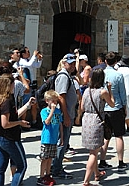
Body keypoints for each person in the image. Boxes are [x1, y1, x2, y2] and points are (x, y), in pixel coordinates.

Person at [0, 74, 32, 186]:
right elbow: (5, 124)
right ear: (8, 85)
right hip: (9, 138)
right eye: (13, 83)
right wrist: (20, 123)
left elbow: (14, 115)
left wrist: (28, 105)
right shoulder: (7, 101)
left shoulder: (0, 98)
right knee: (22, 166)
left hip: (0, 137)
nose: (15, 85)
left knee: (0, 169)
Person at [81, 68, 114, 186]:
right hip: (97, 120)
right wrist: (110, 90)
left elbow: (82, 108)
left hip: (86, 120)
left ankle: (97, 173)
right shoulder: (102, 92)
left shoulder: (86, 91)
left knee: (92, 150)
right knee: (94, 153)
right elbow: (112, 104)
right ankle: (86, 181)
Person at [51, 53, 79, 181]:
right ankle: (56, 169)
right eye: (70, 63)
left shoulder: (67, 76)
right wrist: (66, 115)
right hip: (64, 115)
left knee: (62, 142)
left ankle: (55, 167)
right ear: (64, 63)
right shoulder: (63, 77)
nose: (73, 65)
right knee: (62, 142)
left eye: (74, 63)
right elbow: (61, 96)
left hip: (67, 113)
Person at [100, 51, 127, 170]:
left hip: (104, 108)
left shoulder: (101, 74)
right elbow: (122, 93)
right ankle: (120, 162)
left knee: (106, 136)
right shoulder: (118, 75)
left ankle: (102, 160)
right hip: (116, 107)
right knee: (119, 135)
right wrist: (125, 107)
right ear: (116, 62)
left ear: (105, 61)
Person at [38, 90, 63, 186]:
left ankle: (48, 174)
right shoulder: (44, 111)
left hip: (54, 138)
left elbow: (60, 124)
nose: (55, 104)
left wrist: (62, 137)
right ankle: (41, 177)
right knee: (45, 158)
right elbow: (47, 122)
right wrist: (52, 110)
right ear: (47, 101)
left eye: (56, 101)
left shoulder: (58, 111)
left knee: (50, 158)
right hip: (46, 139)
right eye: (53, 101)